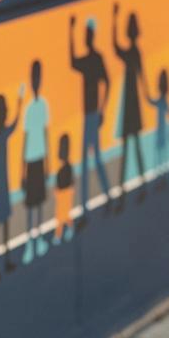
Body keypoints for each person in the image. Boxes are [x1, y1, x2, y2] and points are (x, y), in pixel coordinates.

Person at [68, 14, 113, 224]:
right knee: (88, 161)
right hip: (88, 115)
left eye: (87, 34)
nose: (86, 38)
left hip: (93, 115)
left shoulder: (95, 59)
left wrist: (102, 109)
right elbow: (72, 61)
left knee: (93, 159)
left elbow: (108, 82)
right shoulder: (88, 60)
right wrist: (70, 32)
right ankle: (87, 206)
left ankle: (106, 198)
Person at [112, 4, 147, 206]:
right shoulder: (135, 52)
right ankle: (130, 187)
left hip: (131, 103)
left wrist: (114, 20)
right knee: (132, 145)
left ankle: (132, 187)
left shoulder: (134, 52)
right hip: (131, 102)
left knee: (131, 145)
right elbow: (116, 48)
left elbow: (116, 47)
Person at [0, 86, 24, 279]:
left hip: (2, 187)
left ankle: (4, 261)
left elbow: (15, 124)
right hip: (0, 189)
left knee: (3, 226)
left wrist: (19, 103)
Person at [21, 59, 50, 263]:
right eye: (34, 77)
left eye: (38, 77)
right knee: (31, 204)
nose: (36, 81)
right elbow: (25, 139)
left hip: (40, 159)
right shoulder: (29, 109)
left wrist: (48, 164)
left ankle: (38, 239)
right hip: (31, 161)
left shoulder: (43, 106)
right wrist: (22, 170)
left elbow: (46, 134)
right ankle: (30, 242)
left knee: (39, 202)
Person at [53, 134, 75, 244]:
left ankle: (58, 235)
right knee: (64, 215)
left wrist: (57, 191)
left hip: (63, 194)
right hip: (66, 193)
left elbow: (60, 184)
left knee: (61, 216)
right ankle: (67, 230)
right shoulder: (68, 167)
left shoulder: (61, 170)